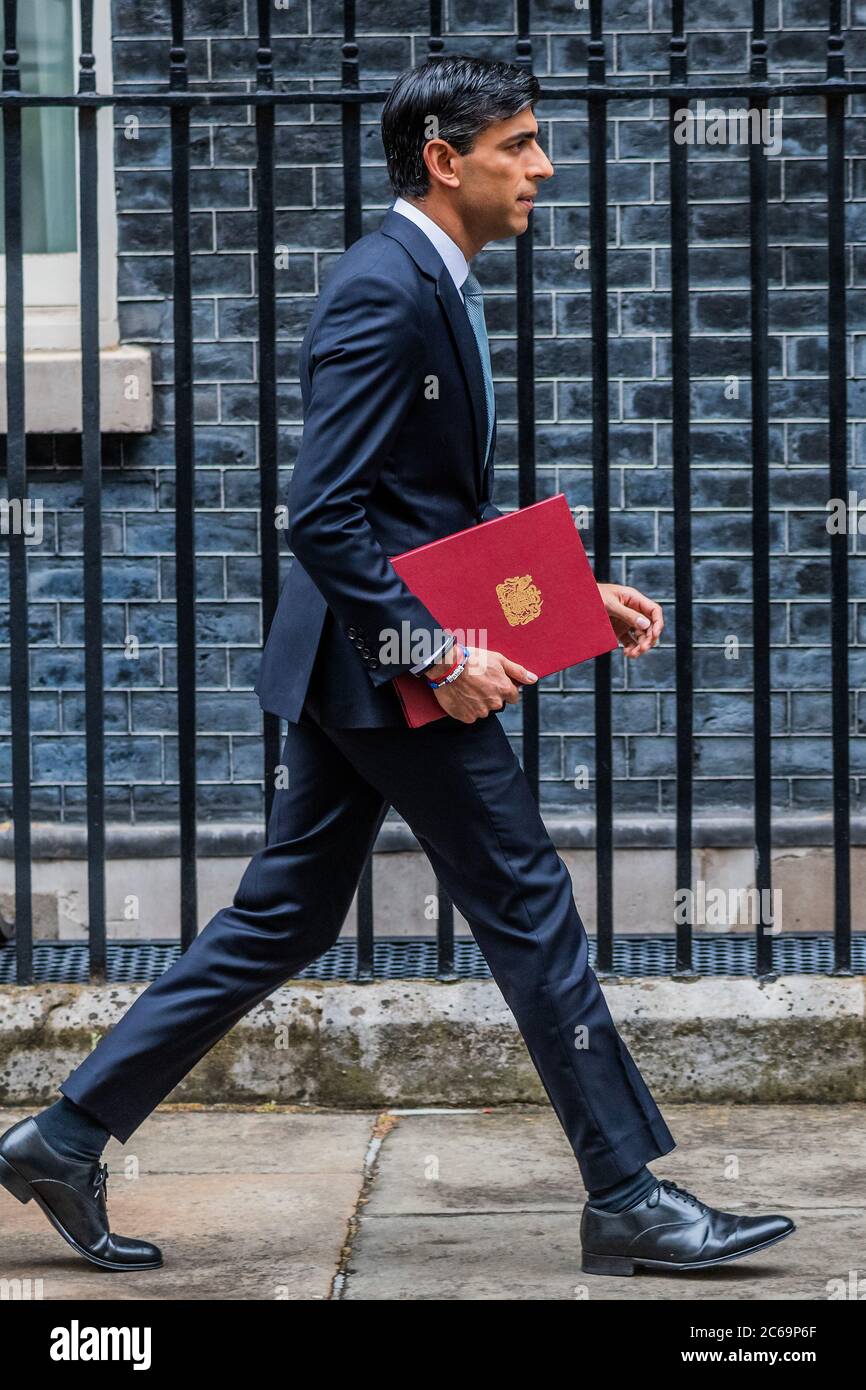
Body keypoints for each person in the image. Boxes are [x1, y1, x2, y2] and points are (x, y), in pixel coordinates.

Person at [0, 55, 794, 1278]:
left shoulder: (432, 279)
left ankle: (64, 1134)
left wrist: (568, 600)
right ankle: (626, 1194)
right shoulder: (386, 289)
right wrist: (432, 649)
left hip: (358, 664)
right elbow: (322, 515)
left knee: (285, 913)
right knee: (528, 902)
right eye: (518, 144)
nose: (542, 166)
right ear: (443, 158)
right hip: (389, 671)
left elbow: (410, 512)